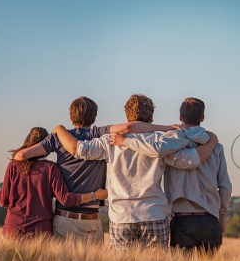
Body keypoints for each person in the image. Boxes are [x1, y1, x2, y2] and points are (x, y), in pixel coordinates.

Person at [54, 94, 218, 249]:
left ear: (127, 117)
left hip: (122, 215)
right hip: (154, 214)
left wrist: (60, 129)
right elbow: (189, 161)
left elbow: (79, 150)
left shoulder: (109, 141)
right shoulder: (161, 140)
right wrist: (212, 141)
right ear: (151, 118)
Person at [14, 96, 175, 243]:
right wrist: (165, 127)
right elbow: (127, 127)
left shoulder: (58, 138)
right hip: (91, 218)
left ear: (71, 117)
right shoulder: (98, 134)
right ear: (94, 117)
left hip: (64, 217)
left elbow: (21, 156)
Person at [113, 98, 232, 253]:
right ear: (202, 118)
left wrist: (126, 141)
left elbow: (156, 149)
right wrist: (222, 217)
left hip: (182, 220)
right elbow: (225, 186)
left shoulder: (169, 143)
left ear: (180, 117)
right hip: (210, 220)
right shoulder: (216, 147)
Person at [0, 127, 108, 239]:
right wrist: (94, 195)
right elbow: (65, 199)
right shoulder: (51, 168)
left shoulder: (13, 165)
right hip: (40, 232)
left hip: (12, 230)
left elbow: (2, 201)